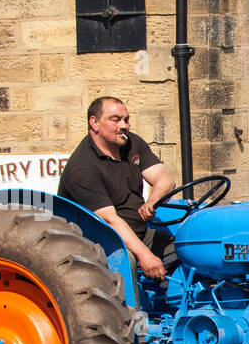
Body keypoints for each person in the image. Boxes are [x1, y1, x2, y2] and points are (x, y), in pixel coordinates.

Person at [58, 96, 176, 281]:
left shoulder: (132, 143)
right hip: (100, 244)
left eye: (126, 120)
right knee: (126, 260)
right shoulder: (82, 168)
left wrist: (153, 200)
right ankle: (131, 310)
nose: (124, 126)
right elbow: (110, 221)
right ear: (94, 123)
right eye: (116, 119)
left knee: (186, 247)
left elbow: (165, 179)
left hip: (140, 233)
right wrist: (145, 255)